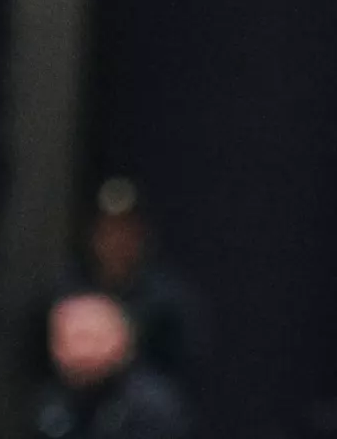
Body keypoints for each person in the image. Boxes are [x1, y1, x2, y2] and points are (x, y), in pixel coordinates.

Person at [41, 179, 209, 399]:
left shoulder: (167, 299)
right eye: (108, 230)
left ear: (141, 234)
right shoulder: (66, 290)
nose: (116, 241)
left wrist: (123, 353)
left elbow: (185, 363)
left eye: (125, 230)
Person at [32, 294, 192, 439]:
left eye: (91, 338)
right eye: (70, 339)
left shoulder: (152, 406)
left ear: (123, 341)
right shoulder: (50, 405)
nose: (82, 351)